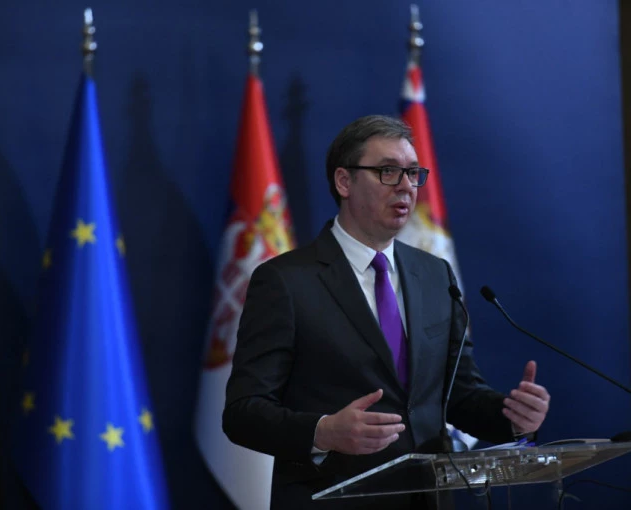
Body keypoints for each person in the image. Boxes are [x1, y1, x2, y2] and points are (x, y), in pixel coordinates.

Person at [223, 115, 550, 509]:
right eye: (388, 171)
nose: (406, 186)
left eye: (413, 173)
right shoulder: (286, 281)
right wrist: (323, 432)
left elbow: (458, 395)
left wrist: (512, 417)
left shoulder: (435, 275)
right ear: (344, 182)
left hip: (426, 499)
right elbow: (242, 413)